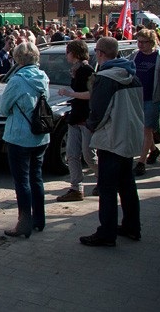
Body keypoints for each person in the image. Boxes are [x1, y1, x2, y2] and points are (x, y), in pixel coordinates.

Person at [80, 37, 144, 246]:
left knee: (107, 189)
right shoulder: (132, 75)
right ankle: (132, 226)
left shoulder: (105, 78)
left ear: (100, 53)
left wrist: (89, 126)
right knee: (127, 184)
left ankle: (106, 233)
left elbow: (97, 112)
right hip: (129, 136)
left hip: (111, 138)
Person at [0, 41, 50, 238]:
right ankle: (39, 219)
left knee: (22, 181)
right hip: (40, 135)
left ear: (17, 59)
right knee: (37, 178)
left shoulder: (17, 80)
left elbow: (4, 108)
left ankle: (24, 222)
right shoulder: (43, 76)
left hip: (19, 135)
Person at [56, 39, 99, 201]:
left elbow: (90, 94)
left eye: (68, 52)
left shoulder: (86, 70)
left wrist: (69, 94)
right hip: (75, 117)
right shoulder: (76, 70)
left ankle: (103, 181)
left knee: (89, 155)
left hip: (85, 118)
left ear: (74, 53)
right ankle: (76, 188)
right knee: (72, 154)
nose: (66, 55)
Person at [132, 29, 160, 176]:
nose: (140, 45)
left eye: (143, 42)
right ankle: (154, 150)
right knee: (142, 129)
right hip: (136, 98)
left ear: (152, 42)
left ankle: (141, 162)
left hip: (152, 99)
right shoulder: (135, 55)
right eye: (139, 42)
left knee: (147, 129)